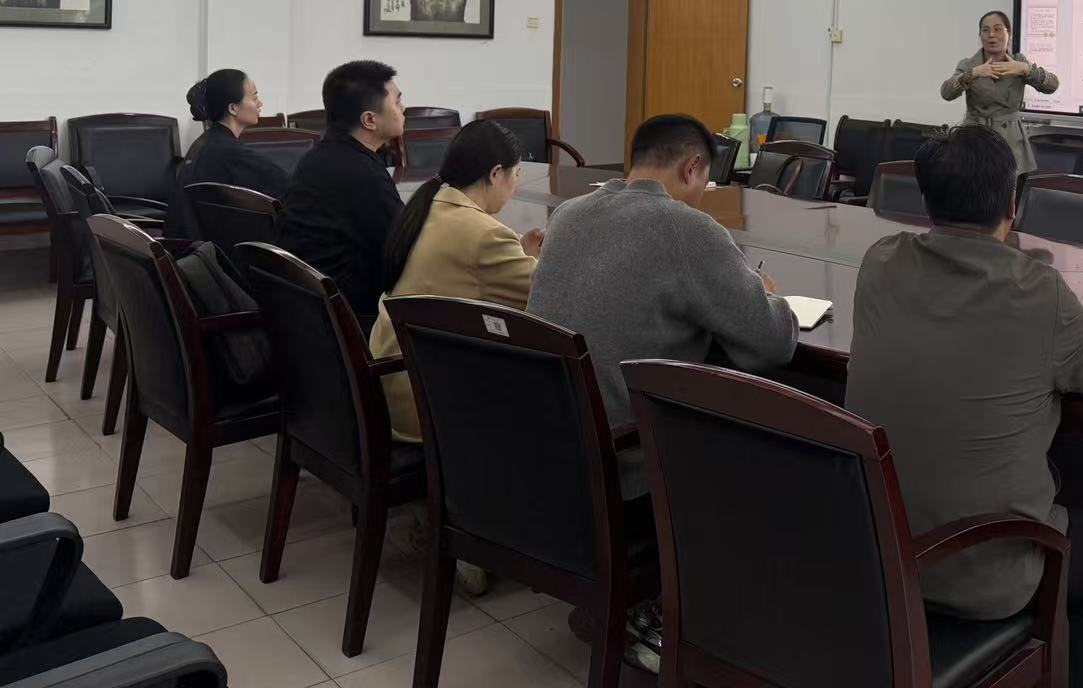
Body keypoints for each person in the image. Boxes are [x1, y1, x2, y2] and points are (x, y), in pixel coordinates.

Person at [845, 125, 1083, 688]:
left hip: (873, 552)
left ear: (925, 202)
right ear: (1013, 204)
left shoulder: (880, 262)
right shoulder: (1037, 291)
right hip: (978, 575)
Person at [529, 113, 799, 670]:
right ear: (692, 166)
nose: (703, 194)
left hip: (552, 453)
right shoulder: (686, 229)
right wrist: (765, 294)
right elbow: (771, 344)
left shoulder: (570, 214)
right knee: (775, 441)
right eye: (705, 182)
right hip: (624, 466)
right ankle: (692, 616)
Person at [369, 119, 544, 445]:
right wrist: (535, 259)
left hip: (392, 385)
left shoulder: (428, 205)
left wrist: (518, 254)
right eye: (516, 175)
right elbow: (545, 297)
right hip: (427, 403)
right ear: (496, 174)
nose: (515, 186)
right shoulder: (485, 234)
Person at [276, 61, 405, 333]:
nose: (403, 108)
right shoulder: (362, 173)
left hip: (306, 314)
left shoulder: (318, 157)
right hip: (350, 324)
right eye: (397, 101)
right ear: (369, 120)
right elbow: (404, 249)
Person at [165, 69, 291, 237]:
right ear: (233, 108)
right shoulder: (231, 154)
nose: (260, 103)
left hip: (196, 244)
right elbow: (288, 188)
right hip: (224, 248)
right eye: (254, 97)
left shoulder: (207, 142)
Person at [941, 9, 1059, 173]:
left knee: (1006, 185)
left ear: (1009, 36)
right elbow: (946, 93)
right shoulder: (969, 65)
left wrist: (1026, 69)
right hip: (975, 138)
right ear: (980, 36)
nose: (991, 35)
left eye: (997, 29)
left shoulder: (1018, 62)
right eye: (985, 30)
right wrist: (973, 73)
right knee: (972, 184)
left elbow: (1052, 85)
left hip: (1009, 139)